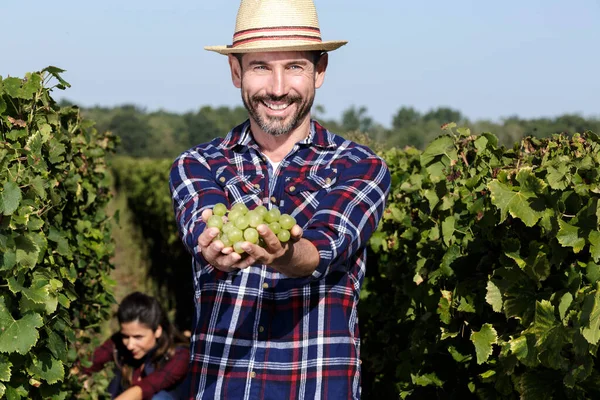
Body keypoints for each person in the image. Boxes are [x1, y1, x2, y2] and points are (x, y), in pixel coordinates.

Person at [169, 0, 391, 398]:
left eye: (294, 67)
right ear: (235, 72)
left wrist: (282, 253)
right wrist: (212, 249)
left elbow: (324, 248)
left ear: (319, 71)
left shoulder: (361, 167)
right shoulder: (196, 164)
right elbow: (201, 223)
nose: (277, 88)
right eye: (260, 67)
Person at [80, 292, 190, 400]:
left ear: (157, 331)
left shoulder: (179, 356)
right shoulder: (119, 343)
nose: (130, 345)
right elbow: (89, 363)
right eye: (126, 337)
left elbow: (146, 387)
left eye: (138, 337)